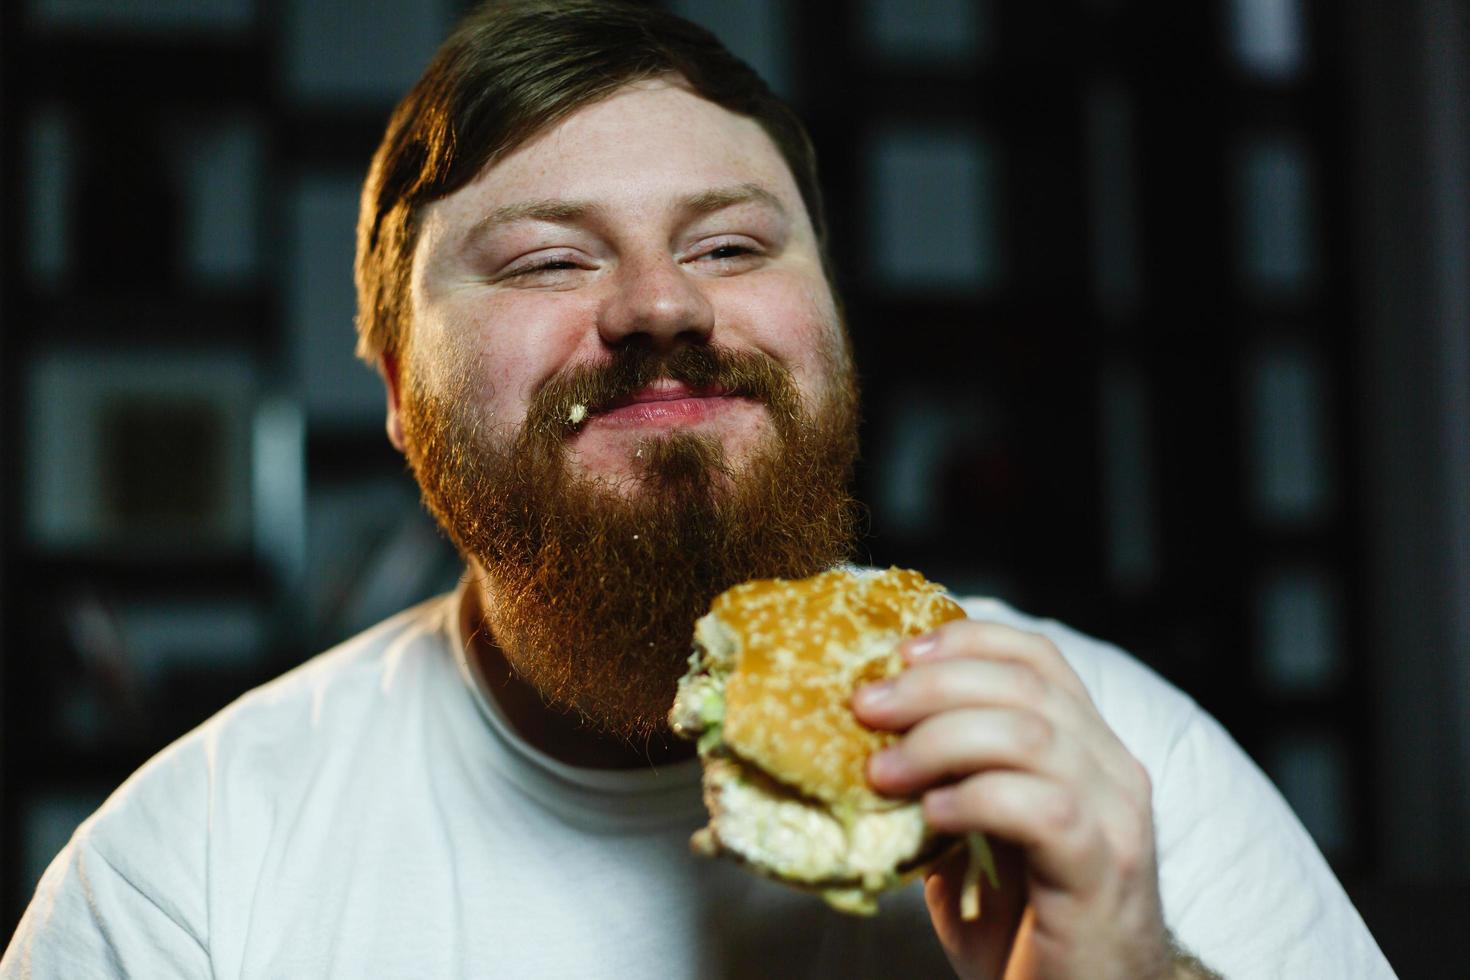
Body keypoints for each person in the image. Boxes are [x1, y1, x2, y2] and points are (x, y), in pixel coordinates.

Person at [3, 1, 1395, 977]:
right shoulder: (180, 883)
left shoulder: (1111, 760)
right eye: (548, 258)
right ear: (388, 386)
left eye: (731, 244)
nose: (661, 303)